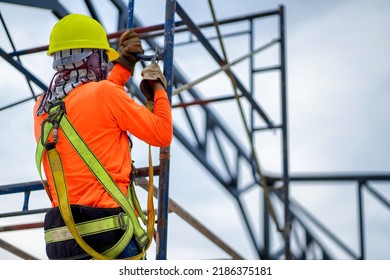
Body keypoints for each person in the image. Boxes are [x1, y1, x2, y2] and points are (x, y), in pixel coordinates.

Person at [33, 13, 172, 260]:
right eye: (102, 58)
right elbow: (162, 133)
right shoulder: (106, 95)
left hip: (62, 241)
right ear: (92, 58)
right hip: (108, 235)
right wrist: (158, 88)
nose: (104, 65)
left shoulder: (42, 109)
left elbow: (87, 101)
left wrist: (124, 66)